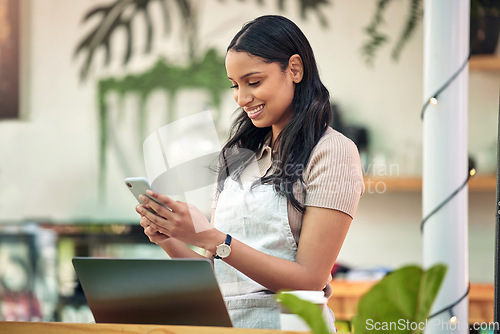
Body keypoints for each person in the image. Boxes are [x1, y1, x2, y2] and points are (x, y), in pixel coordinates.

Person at [135, 15, 364, 331]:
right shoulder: (238, 156)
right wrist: (171, 239)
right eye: (235, 85)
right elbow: (223, 279)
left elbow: (309, 279)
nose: (241, 98)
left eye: (253, 82)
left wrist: (214, 238)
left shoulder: (333, 152)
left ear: (294, 69)